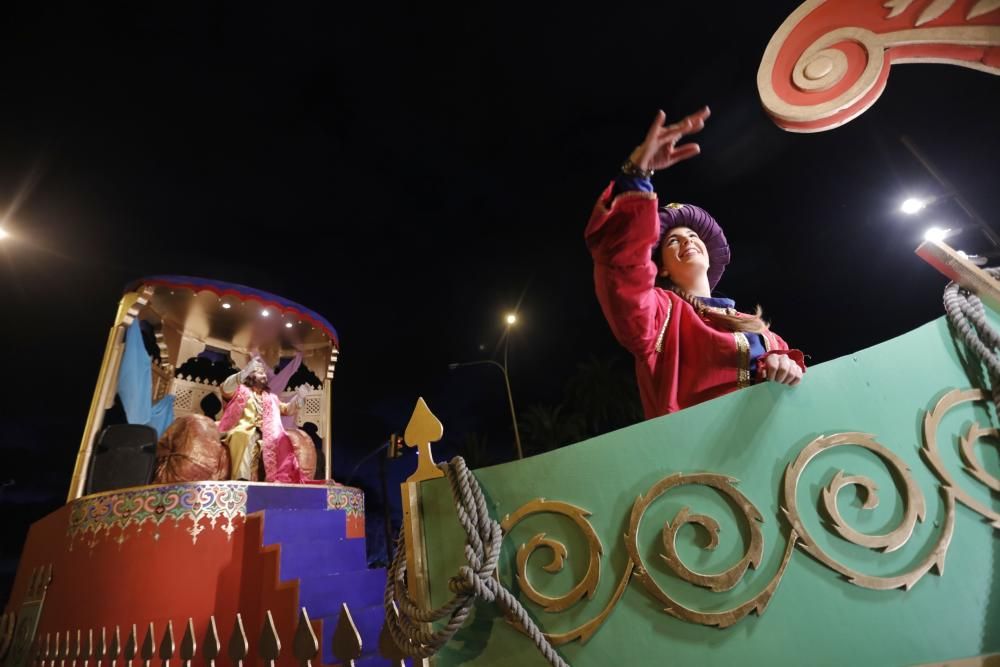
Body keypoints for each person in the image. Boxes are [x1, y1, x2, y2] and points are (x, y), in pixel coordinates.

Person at [585, 107, 805, 419]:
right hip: (697, 462)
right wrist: (636, 175)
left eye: (692, 235)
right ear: (660, 267)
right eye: (673, 240)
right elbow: (620, 268)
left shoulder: (762, 331)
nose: (687, 241)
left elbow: (796, 390)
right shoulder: (659, 314)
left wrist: (785, 367)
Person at [218, 355, 309, 482]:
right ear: (251, 376)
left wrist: (299, 398)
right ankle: (241, 479)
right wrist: (243, 373)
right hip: (244, 429)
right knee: (243, 434)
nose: (265, 376)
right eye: (260, 373)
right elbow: (225, 388)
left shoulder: (272, 397)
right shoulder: (240, 391)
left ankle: (278, 480)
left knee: (282, 440)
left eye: (265, 374)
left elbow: (288, 410)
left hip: (267, 433)